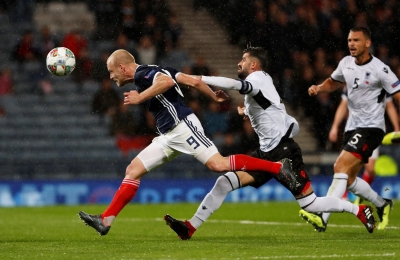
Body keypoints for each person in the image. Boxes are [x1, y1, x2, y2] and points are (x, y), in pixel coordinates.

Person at [78, 49, 300, 236]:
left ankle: (278, 167)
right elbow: (192, 80)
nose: (111, 76)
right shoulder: (157, 69)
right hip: (168, 135)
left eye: (111, 71)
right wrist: (213, 96)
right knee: (133, 170)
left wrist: (141, 97)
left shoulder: (143, 74)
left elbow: (165, 82)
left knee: (218, 165)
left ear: (123, 68)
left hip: (183, 126)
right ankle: (106, 220)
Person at [163, 47, 376, 240]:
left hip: (284, 153)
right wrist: (246, 111)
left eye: (244, 60)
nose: (239, 63)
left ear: (254, 65)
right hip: (266, 153)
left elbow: (235, 85)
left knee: (310, 204)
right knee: (224, 182)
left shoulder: (259, 78)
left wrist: (198, 78)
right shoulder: (260, 84)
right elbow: (269, 109)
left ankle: (359, 210)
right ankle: (190, 227)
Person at [303, 27, 400, 232]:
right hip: (352, 127)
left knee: (340, 167)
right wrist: (320, 87)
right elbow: (333, 82)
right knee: (348, 179)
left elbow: (397, 96)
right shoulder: (345, 63)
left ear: (367, 43)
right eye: (349, 40)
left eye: (356, 40)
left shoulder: (380, 69)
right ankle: (382, 204)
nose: (351, 44)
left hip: (371, 128)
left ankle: (323, 217)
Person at [328, 90, 399, 204]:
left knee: (370, 170)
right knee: (346, 167)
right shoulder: (353, 78)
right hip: (354, 130)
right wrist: (335, 127)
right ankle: (344, 197)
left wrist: (396, 129)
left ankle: (363, 197)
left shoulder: (382, 80)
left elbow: (389, 106)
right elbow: (343, 105)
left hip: (372, 131)